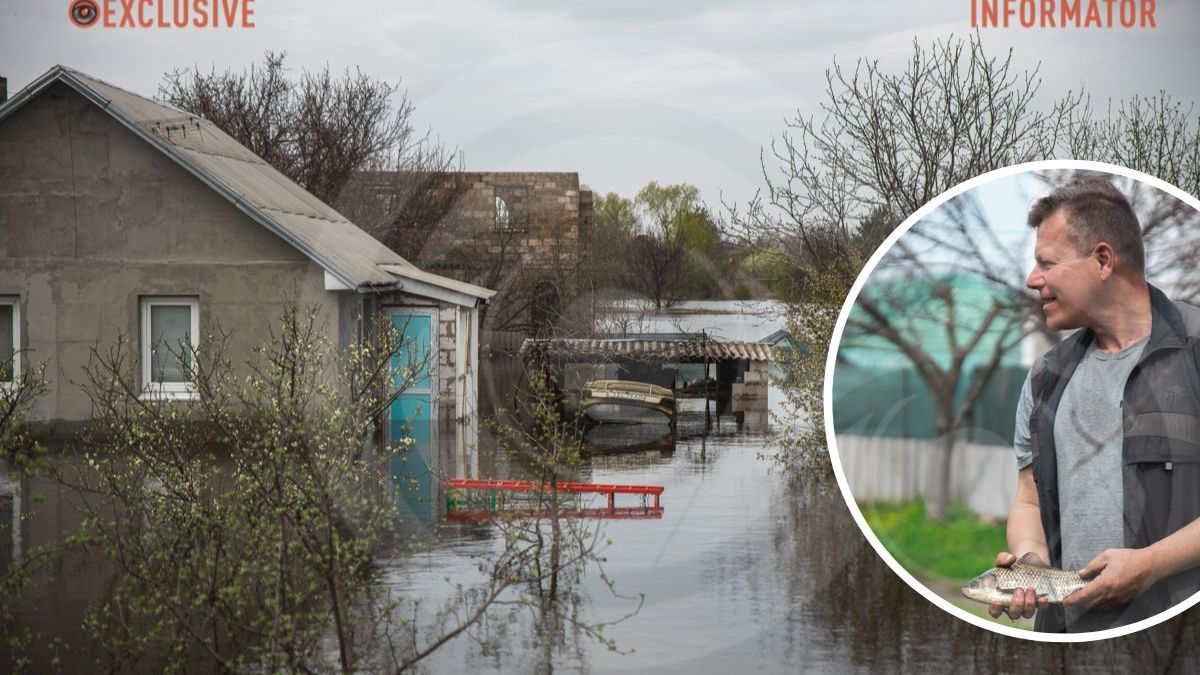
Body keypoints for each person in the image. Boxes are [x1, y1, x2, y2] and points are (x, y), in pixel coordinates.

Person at [991, 176, 1200, 632]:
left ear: (1103, 259)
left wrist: (1151, 565)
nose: (1032, 280)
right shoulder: (1046, 377)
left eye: (1047, 263)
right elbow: (1028, 501)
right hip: (1068, 640)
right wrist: (1031, 566)